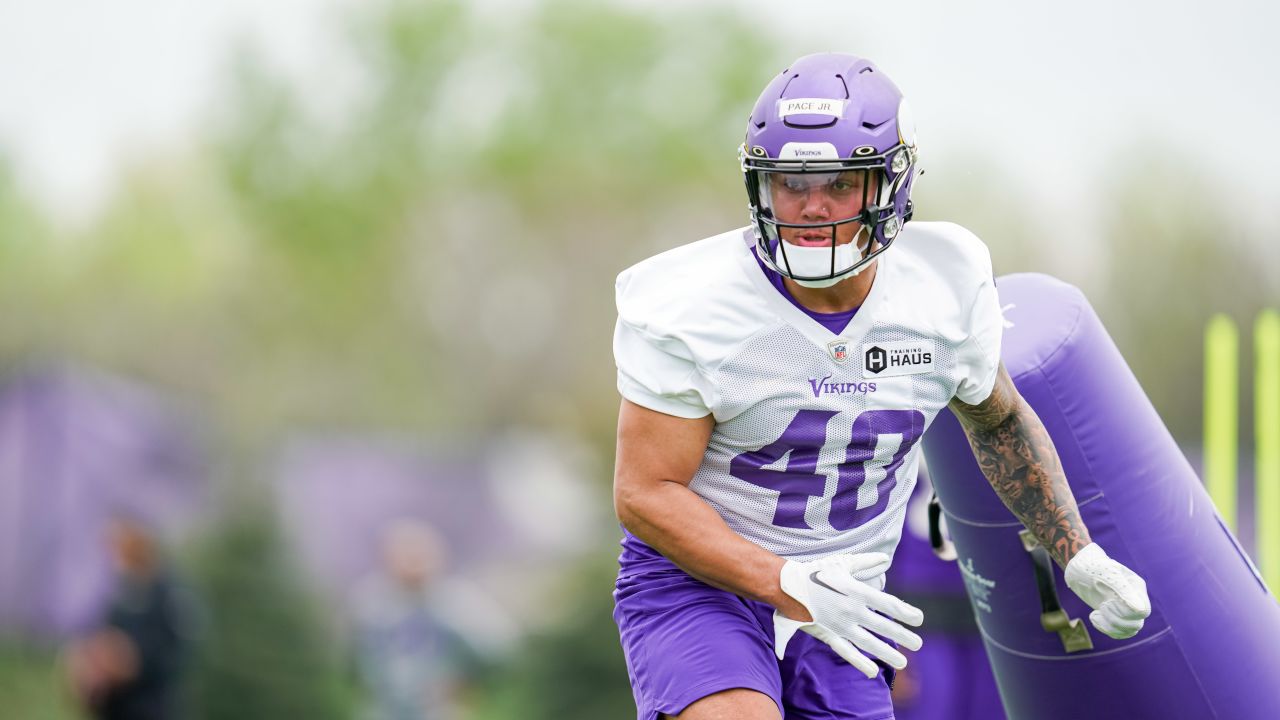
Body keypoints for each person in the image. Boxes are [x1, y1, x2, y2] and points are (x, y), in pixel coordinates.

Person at [610, 53, 1152, 720]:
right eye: (789, 182)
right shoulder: (692, 305)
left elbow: (999, 420)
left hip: (848, 596)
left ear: (890, 184)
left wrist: (1078, 553)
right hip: (701, 584)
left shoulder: (943, 289)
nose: (810, 206)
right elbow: (644, 493)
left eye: (839, 182)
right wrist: (783, 581)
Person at [64, 516, 196, 720]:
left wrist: (133, 662)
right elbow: (95, 639)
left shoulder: (169, 596)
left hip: (150, 709)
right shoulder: (115, 595)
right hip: (115, 709)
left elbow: (174, 655)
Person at [352, 519, 473, 720]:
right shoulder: (369, 603)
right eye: (405, 557)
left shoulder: (456, 604)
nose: (412, 565)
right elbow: (353, 657)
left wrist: (462, 683)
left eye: (420, 557)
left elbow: (491, 652)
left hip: (439, 710)